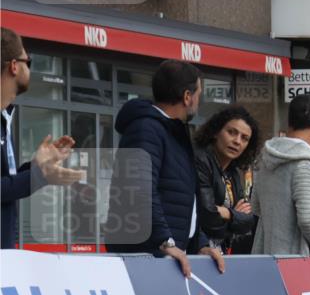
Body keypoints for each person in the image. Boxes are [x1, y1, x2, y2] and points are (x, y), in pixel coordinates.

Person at [105, 60, 224, 277]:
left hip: (166, 257)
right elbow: (140, 189)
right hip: (147, 260)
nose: (199, 101)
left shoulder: (174, 132)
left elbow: (184, 198)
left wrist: (200, 243)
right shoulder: (146, 129)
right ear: (187, 97)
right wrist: (164, 241)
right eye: (198, 94)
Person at [1, 27, 85, 249]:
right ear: (14, 66)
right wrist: (40, 175)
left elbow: (6, 185)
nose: (30, 67)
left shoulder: (5, 117)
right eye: (28, 61)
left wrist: (37, 167)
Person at [251, 94, 310, 257]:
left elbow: (256, 206)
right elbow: (309, 220)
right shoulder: (304, 162)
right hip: (302, 257)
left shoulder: (266, 157)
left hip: (271, 253)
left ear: (289, 120)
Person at [193, 105, 260, 254]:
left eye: (245, 138)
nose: (237, 141)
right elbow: (206, 216)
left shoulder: (233, 172)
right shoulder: (201, 160)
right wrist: (234, 214)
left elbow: (248, 221)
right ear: (216, 132)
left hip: (222, 251)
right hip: (197, 251)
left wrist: (226, 213)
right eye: (232, 132)